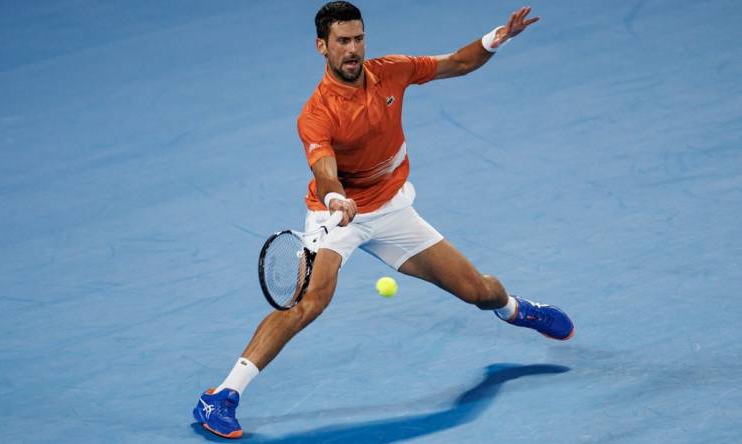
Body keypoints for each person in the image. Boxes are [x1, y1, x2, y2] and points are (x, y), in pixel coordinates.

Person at [193, 2, 573, 439]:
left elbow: (459, 63)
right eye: (342, 41)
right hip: (336, 216)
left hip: (392, 210)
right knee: (307, 304)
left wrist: (496, 38)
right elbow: (323, 168)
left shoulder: (393, 70)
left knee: (480, 291)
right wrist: (336, 197)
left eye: (358, 38)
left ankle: (516, 310)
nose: (352, 49)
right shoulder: (317, 113)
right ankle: (221, 396)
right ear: (322, 46)